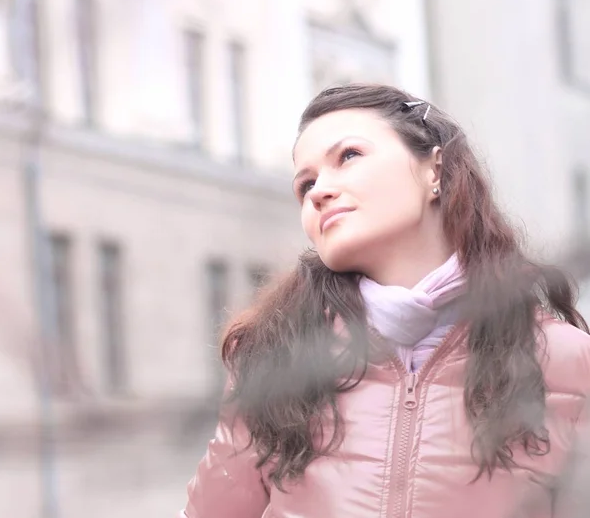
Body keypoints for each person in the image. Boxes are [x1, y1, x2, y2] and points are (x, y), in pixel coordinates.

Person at [179, 84, 590, 518]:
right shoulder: (273, 355)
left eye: (349, 156)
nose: (319, 191)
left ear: (435, 168)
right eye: (306, 185)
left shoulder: (567, 360)